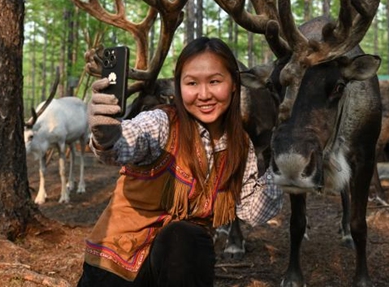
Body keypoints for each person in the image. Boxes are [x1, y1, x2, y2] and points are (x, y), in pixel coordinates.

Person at [77, 37, 283, 287]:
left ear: (234, 85)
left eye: (215, 81)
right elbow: (125, 143)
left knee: (185, 235)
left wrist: (283, 161)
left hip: (176, 269)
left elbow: (254, 210)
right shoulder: (162, 123)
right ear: (179, 87)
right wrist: (107, 134)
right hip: (114, 271)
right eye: (192, 83)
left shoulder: (240, 146)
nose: (204, 94)